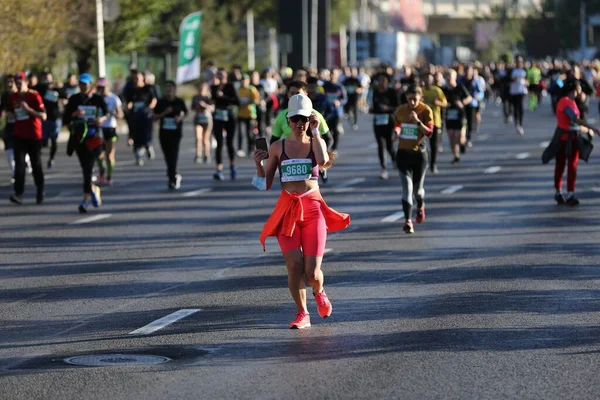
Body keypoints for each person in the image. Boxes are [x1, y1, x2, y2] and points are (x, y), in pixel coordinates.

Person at [253, 94, 351, 329]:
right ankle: (302, 313)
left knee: (312, 272)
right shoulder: (277, 147)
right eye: (296, 118)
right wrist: (258, 164)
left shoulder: (316, 142)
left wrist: (316, 133)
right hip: (288, 210)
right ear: (288, 120)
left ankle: (320, 291)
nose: (300, 123)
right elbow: (264, 184)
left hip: (313, 208)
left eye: (305, 119)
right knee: (294, 266)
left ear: (311, 120)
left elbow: (324, 161)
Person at [542, 79, 598, 206]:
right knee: (561, 165)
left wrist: (590, 130)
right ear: (573, 89)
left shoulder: (573, 102)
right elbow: (574, 119)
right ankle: (558, 191)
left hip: (574, 137)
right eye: (579, 89)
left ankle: (570, 193)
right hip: (563, 138)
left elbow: (576, 123)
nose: (580, 91)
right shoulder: (564, 102)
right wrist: (592, 128)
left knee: (572, 166)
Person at [393, 85, 434, 234]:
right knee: (407, 190)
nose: (412, 102)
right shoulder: (401, 110)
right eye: (409, 99)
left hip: (419, 156)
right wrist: (396, 132)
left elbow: (429, 133)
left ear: (420, 98)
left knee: (417, 191)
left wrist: (417, 122)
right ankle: (408, 221)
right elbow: (398, 124)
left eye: (415, 100)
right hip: (403, 154)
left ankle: (420, 204)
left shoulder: (426, 110)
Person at [64, 73, 108, 213]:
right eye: (81, 83)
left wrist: (101, 119)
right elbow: (66, 119)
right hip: (79, 139)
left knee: (88, 169)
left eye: (85, 83)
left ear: (91, 84)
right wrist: (74, 114)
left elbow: (106, 113)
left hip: (93, 137)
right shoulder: (74, 99)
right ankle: (94, 188)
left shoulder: (97, 99)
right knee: (85, 169)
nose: (83, 86)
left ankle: (84, 200)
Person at [7, 72, 46, 205]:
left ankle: (40, 190)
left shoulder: (34, 96)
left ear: (26, 82)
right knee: (19, 165)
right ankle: (18, 194)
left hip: (34, 135)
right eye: (16, 83)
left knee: (36, 164)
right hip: (19, 135)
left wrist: (28, 109)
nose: (17, 86)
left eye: (20, 83)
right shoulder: (13, 97)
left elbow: (43, 116)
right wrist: (10, 116)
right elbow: (12, 113)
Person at [154, 81, 188, 190]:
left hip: (175, 133)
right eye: (167, 88)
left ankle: (172, 178)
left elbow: (185, 113)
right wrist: (164, 113)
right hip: (164, 132)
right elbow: (154, 117)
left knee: (173, 155)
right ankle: (173, 174)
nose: (169, 90)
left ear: (174, 89)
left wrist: (179, 118)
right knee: (167, 155)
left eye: (171, 88)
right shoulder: (161, 102)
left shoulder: (179, 101)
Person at [211, 70, 240, 180]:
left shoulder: (230, 86)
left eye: (222, 75)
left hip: (229, 115)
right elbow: (212, 99)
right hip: (218, 116)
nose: (220, 77)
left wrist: (223, 96)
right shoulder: (214, 87)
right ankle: (219, 169)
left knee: (229, 142)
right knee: (219, 143)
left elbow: (237, 101)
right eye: (218, 75)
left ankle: (232, 165)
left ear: (226, 76)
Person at [370, 73, 399, 180]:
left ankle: (394, 159)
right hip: (378, 121)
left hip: (389, 121)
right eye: (380, 80)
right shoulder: (375, 92)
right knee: (380, 144)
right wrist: (372, 110)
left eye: (383, 80)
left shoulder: (392, 92)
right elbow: (374, 105)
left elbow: (397, 107)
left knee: (389, 145)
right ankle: (383, 168)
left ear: (387, 82)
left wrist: (388, 108)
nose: (381, 82)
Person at [125, 71, 157, 166]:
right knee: (136, 136)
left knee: (146, 134)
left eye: (138, 78)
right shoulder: (131, 90)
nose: (136, 81)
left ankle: (148, 146)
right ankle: (138, 156)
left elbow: (154, 99)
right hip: (135, 116)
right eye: (135, 79)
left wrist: (150, 108)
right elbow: (128, 101)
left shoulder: (148, 88)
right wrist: (128, 106)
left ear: (143, 79)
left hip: (146, 115)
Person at [96, 78, 124, 186]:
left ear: (108, 87)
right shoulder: (97, 98)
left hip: (110, 128)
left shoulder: (114, 98)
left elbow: (121, 114)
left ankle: (109, 176)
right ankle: (102, 172)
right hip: (99, 128)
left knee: (109, 155)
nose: (102, 90)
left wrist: (115, 114)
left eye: (103, 87)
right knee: (98, 154)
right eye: (99, 88)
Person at [37, 72, 67, 169]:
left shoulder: (58, 88)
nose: (47, 80)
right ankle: (38, 158)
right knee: (43, 140)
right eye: (45, 78)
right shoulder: (41, 88)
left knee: (54, 139)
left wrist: (60, 88)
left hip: (55, 117)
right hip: (45, 117)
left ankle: (51, 159)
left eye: (48, 78)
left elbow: (65, 96)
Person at [443, 69, 472, 164]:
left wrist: (462, 103)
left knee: (459, 138)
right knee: (451, 138)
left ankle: (463, 144)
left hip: (460, 115)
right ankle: (456, 156)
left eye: (450, 75)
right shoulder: (444, 90)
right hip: (449, 116)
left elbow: (469, 98)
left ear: (455, 77)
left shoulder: (460, 88)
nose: (448, 78)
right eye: (447, 75)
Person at [421, 72, 447, 174]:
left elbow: (445, 104)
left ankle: (433, 164)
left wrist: (437, 103)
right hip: (422, 122)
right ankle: (425, 161)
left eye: (429, 79)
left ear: (432, 81)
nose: (427, 81)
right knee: (422, 144)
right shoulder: (421, 91)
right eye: (426, 79)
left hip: (435, 121)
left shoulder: (437, 91)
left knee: (434, 145)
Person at [236, 74, 260, 157]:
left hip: (250, 114)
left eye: (244, 80)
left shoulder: (252, 89)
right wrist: (239, 103)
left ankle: (250, 149)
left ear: (248, 81)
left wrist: (249, 102)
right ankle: (240, 149)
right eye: (242, 80)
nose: (243, 82)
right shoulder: (238, 89)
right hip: (240, 114)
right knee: (240, 132)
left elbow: (257, 100)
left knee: (249, 133)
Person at [0, 74, 18, 182]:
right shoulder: (5, 95)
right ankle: (14, 173)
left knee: (21, 151)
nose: (10, 84)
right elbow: (2, 109)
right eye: (8, 82)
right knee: (9, 151)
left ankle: (27, 161)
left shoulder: (22, 95)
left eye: (12, 81)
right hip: (10, 126)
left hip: (22, 126)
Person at [191, 82, 213, 164]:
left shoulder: (209, 97)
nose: (201, 90)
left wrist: (205, 106)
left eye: (203, 88)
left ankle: (207, 155)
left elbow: (212, 108)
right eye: (200, 88)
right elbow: (192, 108)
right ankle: (198, 155)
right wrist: (197, 107)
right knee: (198, 137)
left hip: (207, 120)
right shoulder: (195, 97)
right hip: (198, 119)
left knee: (205, 139)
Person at [510, 56, 528, 135]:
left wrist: (527, 83)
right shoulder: (512, 71)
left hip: (522, 91)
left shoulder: (524, 70)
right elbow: (506, 80)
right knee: (515, 108)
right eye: (518, 61)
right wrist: (514, 80)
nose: (519, 63)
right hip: (514, 92)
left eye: (520, 61)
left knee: (520, 107)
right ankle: (516, 123)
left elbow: (527, 79)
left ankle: (520, 124)